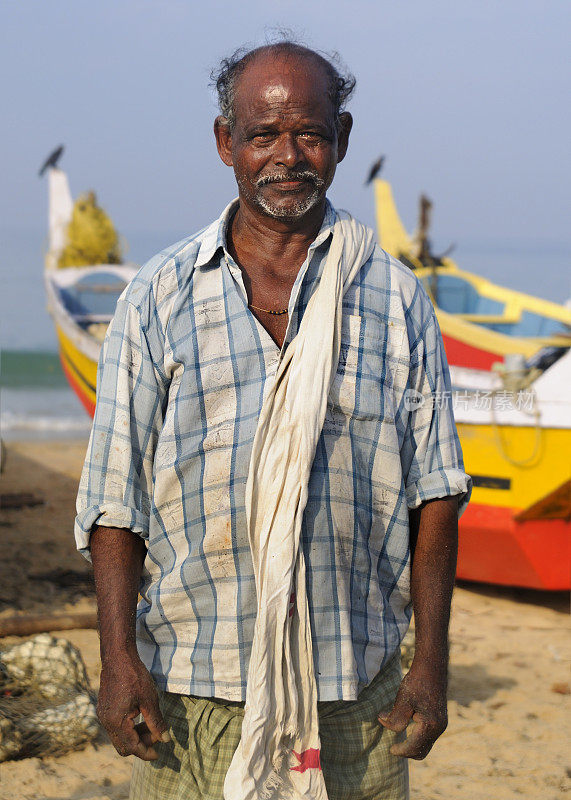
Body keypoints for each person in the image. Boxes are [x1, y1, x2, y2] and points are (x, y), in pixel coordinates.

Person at [75, 40, 471, 800]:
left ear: (341, 139)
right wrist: (118, 660)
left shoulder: (392, 298)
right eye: (262, 134)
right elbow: (112, 496)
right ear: (227, 143)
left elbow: (436, 494)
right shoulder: (158, 297)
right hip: (192, 685)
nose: (287, 156)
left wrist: (430, 664)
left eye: (309, 134)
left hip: (355, 688)